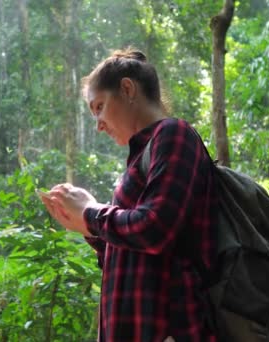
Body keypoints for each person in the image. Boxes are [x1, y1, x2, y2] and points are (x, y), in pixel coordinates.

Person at [40, 48, 218, 342]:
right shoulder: (140, 160)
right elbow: (134, 256)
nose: (97, 124)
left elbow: (156, 228)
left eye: (99, 107)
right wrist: (86, 227)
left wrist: (91, 212)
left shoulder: (174, 134)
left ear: (127, 88)